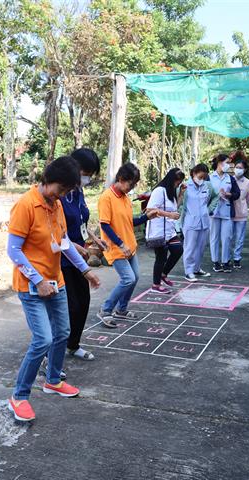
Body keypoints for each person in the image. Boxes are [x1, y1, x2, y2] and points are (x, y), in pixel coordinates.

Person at [7, 156, 100, 421]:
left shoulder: (55, 205)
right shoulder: (25, 205)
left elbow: (64, 242)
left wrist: (85, 270)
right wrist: (37, 280)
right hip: (31, 285)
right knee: (43, 339)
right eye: (62, 189)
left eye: (68, 191)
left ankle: (52, 380)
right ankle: (19, 396)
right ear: (48, 180)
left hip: (56, 281)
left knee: (63, 332)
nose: (63, 195)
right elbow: (13, 250)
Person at [97, 163, 157, 328]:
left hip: (130, 246)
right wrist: (120, 244)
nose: (132, 187)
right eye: (131, 184)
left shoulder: (125, 198)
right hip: (116, 248)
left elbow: (129, 221)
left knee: (135, 277)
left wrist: (147, 217)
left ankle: (121, 309)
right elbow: (105, 225)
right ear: (121, 179)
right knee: (128, 278)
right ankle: (105, 310)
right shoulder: (106, 197)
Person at [60, 148, 101, 362]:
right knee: (68, 306)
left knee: (83, 303)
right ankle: (50, 352)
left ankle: (73, 345)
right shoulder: (60, 192)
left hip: (79, 258)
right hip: (60, 259)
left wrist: (94, 238)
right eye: (85, 172)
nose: (86, 178)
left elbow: (82, 221)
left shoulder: (78, 192)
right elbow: (55, 230)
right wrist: (73, 245)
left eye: (90, 174)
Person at [146, 168, 185, 293]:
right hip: (158, 231)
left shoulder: (170, 191)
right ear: (171, 180)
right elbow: (150, 210)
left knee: (178, 249)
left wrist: (181, 194)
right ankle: (155, 285)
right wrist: (169, 215)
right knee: (161, 257)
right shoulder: (159, 191)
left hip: (169, 230)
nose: (177, 185)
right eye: (177, 183)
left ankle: (163, 274)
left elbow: (174, 208)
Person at [180, 164, 218, 282]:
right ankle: (189, 271)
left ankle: (197, 268)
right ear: (194, 173)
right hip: (190, 222)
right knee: (190, 247)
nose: (201, 180)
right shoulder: (185, 186)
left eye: (203, 177)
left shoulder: (208, 186)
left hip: (204, 222)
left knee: (201, 248)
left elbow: (216, 197)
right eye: (200, 177)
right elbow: (180, 202)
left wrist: (209, 209)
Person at [209, 154, 240, 273]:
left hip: (227, 211)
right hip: (214, 211)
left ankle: (225, 262)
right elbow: (205, 193)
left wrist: (228, 195)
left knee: (227, 237)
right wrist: (216, 195)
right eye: (226, 162)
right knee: (214, 237)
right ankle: (216, 262)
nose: (228, 165)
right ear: (219, 163)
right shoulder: (210, 177)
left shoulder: (230, 178)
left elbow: (237, 194)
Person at [230, 152, 249, 270]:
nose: (238, 169)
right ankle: (227, 258)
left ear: (245, 170)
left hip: (242, 214)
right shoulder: (229, 180)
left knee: (239, 237)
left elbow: (248, 198)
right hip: (229, 214)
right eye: (236, 167)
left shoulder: (248, 183)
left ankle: (237, 258)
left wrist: (243, 206)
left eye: (241, 168)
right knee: (229, 236)